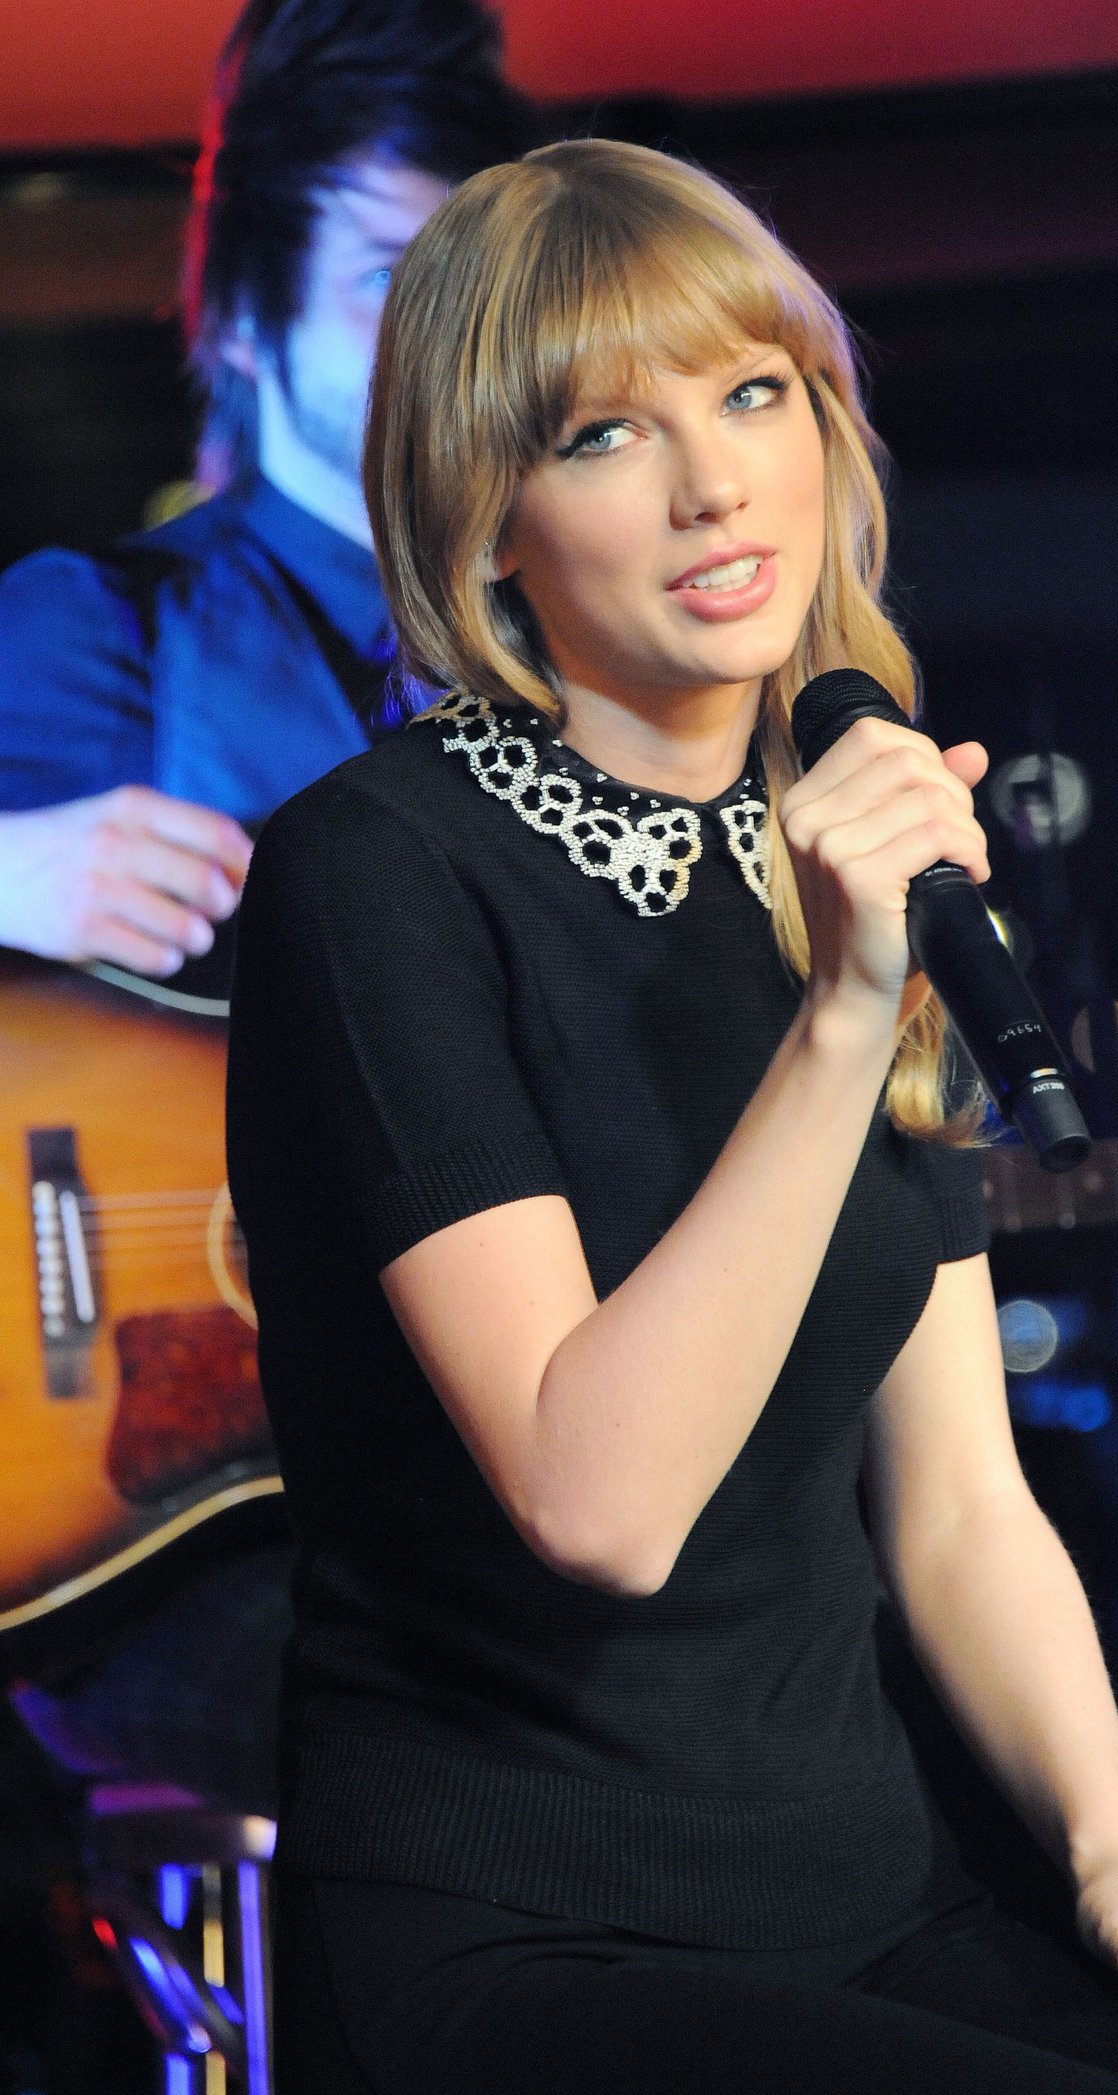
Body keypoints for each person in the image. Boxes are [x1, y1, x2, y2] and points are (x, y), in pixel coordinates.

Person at [226, 139, 1118, 2092]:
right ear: (486, 521)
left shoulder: (842, 845)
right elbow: (596, 1505)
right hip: (528, 1936)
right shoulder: (377, 876)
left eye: (750, 392)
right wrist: (847, 1009)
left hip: (878, 1898)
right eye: (606, 432)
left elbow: (957, 1503)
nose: (711, 483)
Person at [3, 0, 532, 1816]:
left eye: (471, 277)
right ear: (241, 318)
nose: (441, 328)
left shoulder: (574, 681)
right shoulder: (105, 632)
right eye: (390, 272)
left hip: (486, 1483)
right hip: (164, 1542)